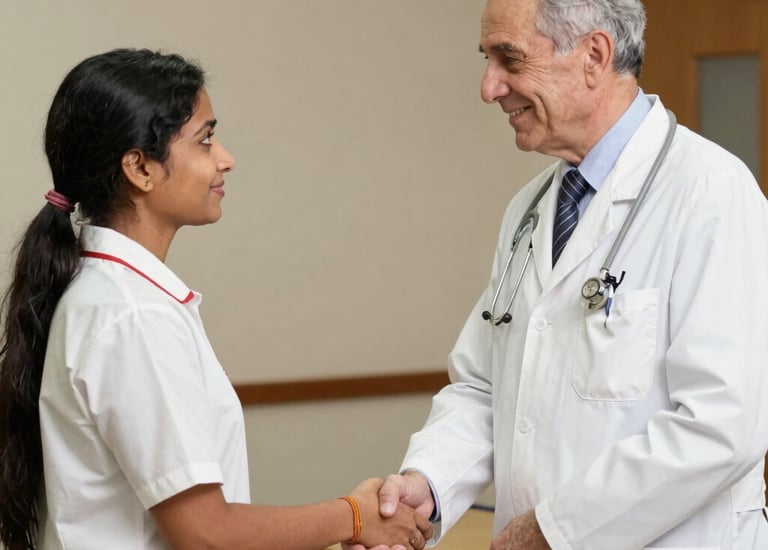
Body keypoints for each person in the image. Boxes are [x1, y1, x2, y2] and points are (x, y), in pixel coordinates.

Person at [348, 0, 768, 549]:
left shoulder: (711, 194)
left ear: (594, 55)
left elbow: (722, 426)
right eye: (487, 60)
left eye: (510, 59)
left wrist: (557, 528)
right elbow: (484, 386)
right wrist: (427, 484)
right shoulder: (530, 209)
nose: (489, 87)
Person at [0, 48, 432, 550]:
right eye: (205, 140)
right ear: (140, 168)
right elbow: (206, 534)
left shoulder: (105, 294)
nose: (226, 158)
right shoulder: (134, 315)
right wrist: (354, 517)